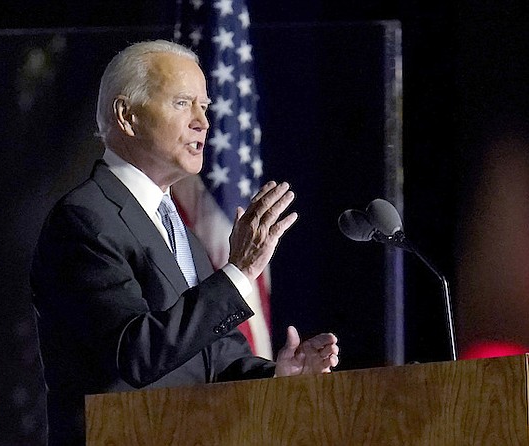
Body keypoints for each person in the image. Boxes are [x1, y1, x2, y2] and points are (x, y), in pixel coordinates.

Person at [31, 39, 339, 445]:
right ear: (127, 116)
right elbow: (137, 353)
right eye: (182, 103)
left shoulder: (176, 227)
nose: (203, 122)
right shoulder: (85, 219)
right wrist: (239, 271)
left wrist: (276, 374)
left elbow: (210, 355)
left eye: (205, 107)